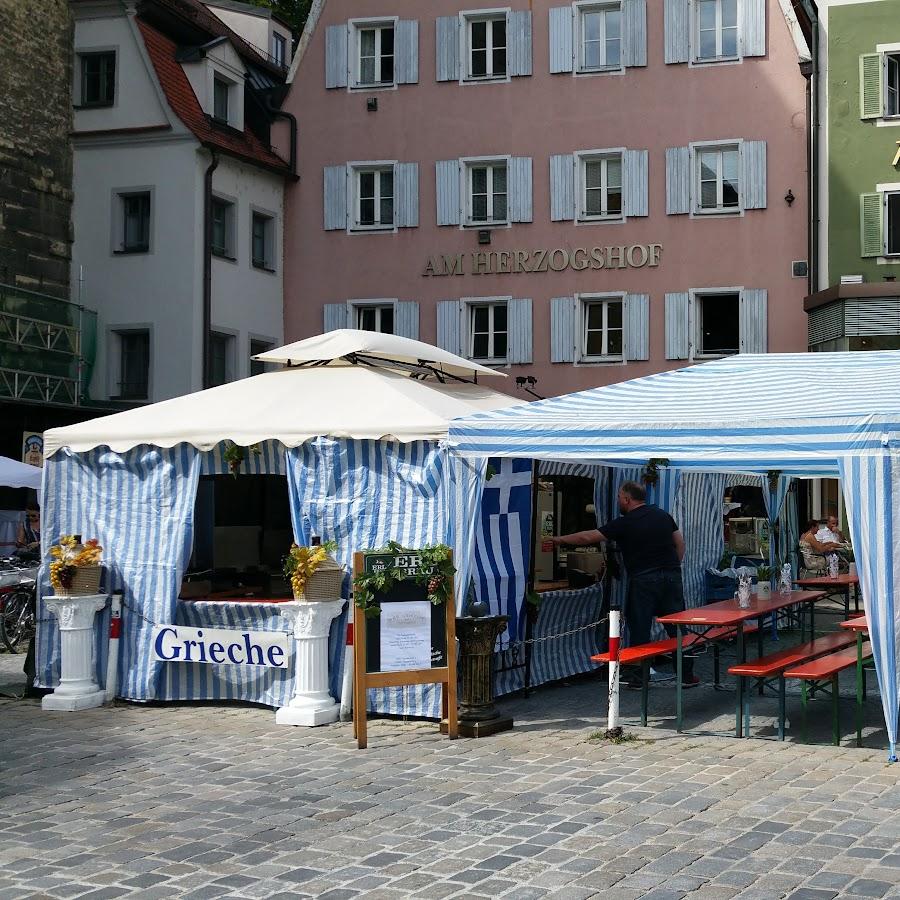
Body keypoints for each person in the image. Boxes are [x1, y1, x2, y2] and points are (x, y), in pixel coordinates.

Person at [552, 480, 698, 689]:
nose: (618, 501)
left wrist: (558, 540)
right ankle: (686, 676)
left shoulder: (625, 522)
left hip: (644, 579)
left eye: (620, 497)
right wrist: (673, 567)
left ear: (627, 499)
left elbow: (588, 536)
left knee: (640, 628)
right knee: (677, 627)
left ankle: (640, 677)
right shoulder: (663, 515)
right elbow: (680, 543)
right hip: (672, 576)